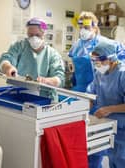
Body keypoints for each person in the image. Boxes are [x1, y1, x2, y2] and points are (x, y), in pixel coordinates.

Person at [0, 17, 65, 102]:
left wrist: (47, 81)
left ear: (44, 34)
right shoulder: (20, 47)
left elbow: (60, 78)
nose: (34, 38)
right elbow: (6, 59)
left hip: (44, 100)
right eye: (30, 35)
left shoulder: (52, 54)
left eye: (37, 35)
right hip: (18, 96)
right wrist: (8, 67)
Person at [87, 40, 125, 168]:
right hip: (108, 128)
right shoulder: (99, 73)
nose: (98, 64)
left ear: (112, 58)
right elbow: (92, 92)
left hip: (123, 130)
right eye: (94, 60)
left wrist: (109, 109)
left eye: (101, 60)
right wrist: (89, 101)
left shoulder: (122, 74)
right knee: (112, 160)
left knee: (121, 160)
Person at [68, 11, 125, 92]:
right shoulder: (76, 45)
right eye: (81, 27)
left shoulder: (104, 43)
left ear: (94, 28)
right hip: (79, 89)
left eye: (87, 27)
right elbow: (74, 69)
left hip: (99, 89)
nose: (83, 30)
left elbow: (121, 55)